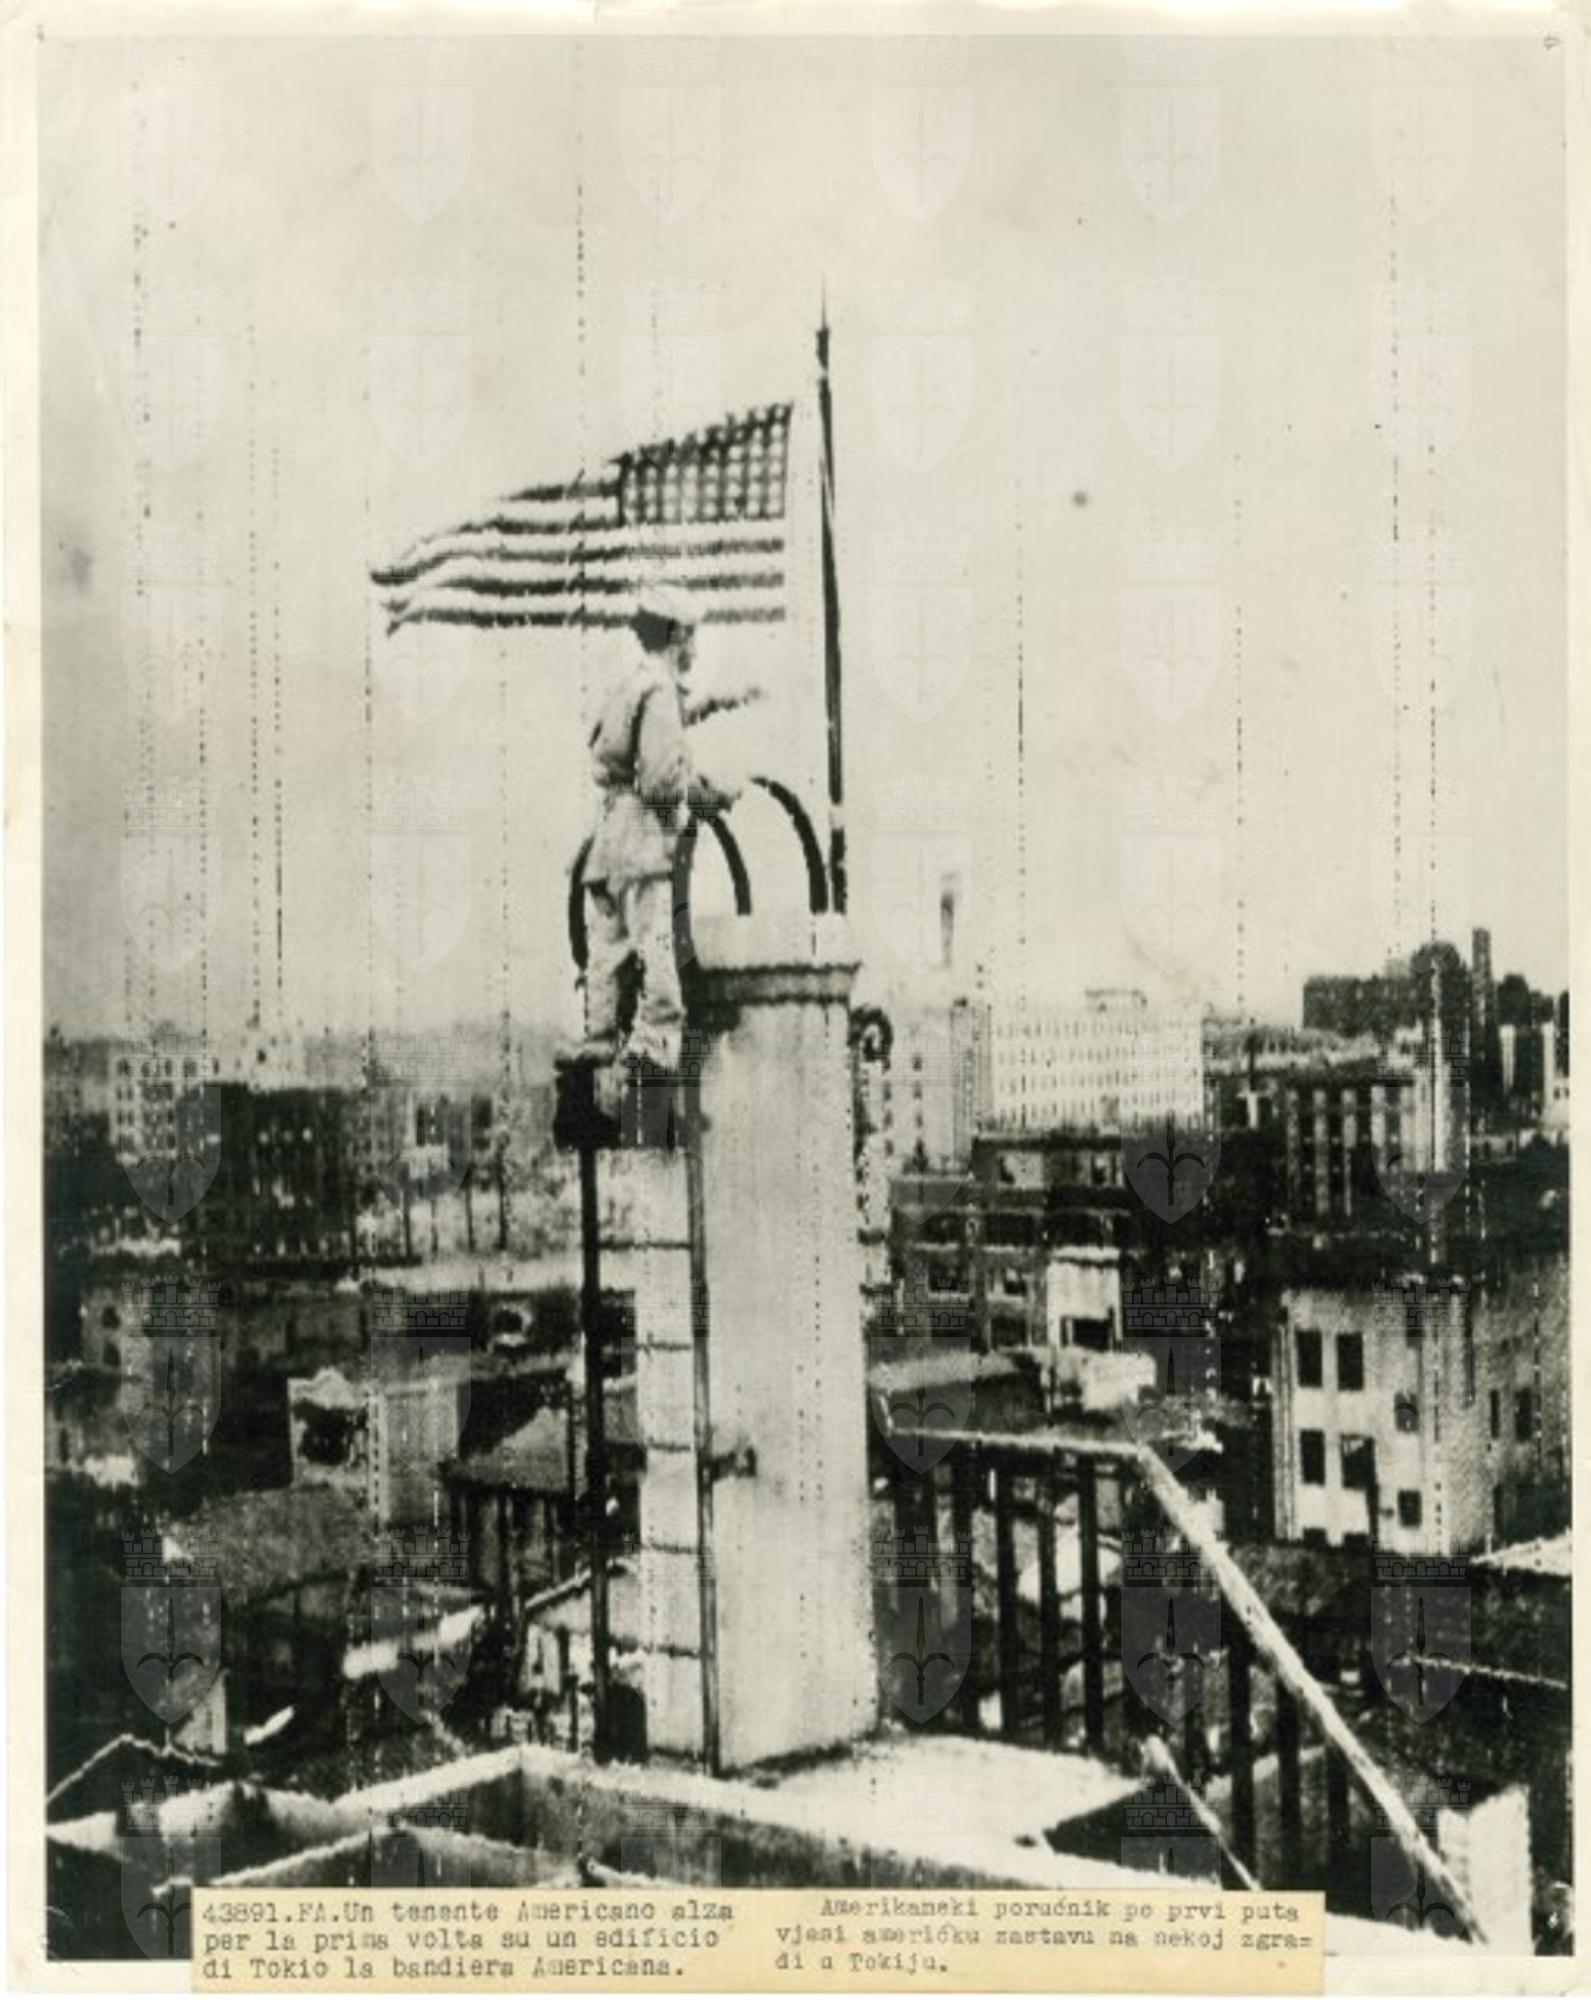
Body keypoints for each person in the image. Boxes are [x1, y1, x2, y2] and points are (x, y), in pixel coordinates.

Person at [580, 582, 740, 1074]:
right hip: (644, 843)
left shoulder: (633, 684)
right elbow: (661, 782)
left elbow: (636, 746)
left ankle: (599, 1046)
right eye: (691, 636)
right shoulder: (661, 692)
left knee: (607, 954)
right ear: (677, 636)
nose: (695, 648)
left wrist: (714, 704)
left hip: (609, 841)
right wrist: (709, 793)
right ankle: (653, 1053)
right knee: (658, 948)